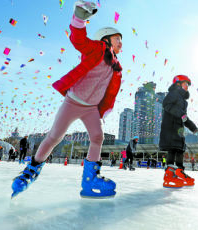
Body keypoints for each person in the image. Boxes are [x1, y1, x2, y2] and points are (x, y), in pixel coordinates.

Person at [11, 1, 123, 199]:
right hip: (73, 101)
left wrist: (102, 110)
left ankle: (90, 180)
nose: (120, 43)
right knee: (54, 137)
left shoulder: (116, 67)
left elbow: (110, 92)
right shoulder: (96, 48)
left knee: (97, 137)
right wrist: (80, 18)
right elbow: (79, 40)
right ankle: (32, 169)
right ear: (106, 39)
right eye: (117, 39)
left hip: (91, 109)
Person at [159, 75, 198, 188]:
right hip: (170, 127)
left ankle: (179, 171)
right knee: (172, 149)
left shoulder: (183, 101)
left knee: (180, 149)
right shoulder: (173, 94)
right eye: (185, 84)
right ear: (178, 84)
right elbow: (166, 105)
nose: (187, 87)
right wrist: (181, 114)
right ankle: (169, 173)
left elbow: (184, 117)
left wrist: (192, 126)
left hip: (179, 129)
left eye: (188, 85)